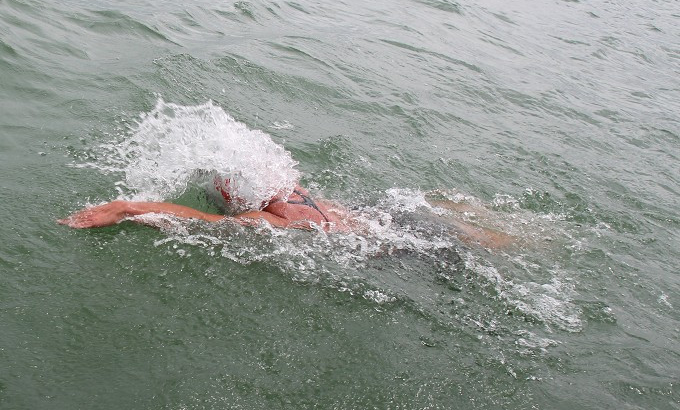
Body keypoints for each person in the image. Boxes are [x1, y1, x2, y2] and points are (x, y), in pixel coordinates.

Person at [60, 175, 514, 250]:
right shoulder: (294, 189)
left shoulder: (270, 219)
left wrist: (127, 209)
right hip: (389, 217)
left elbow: (200, 222)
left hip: (396, 247)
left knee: (468, 244)